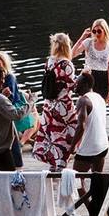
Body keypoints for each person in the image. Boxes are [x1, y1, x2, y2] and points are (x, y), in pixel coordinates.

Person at [69, 72, 109, 216]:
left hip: (89, 149)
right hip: (103, 145)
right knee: (96, 180)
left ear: (85, 84)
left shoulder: (83, 100)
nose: (75, 84)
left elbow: (81, 126)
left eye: (77, 82)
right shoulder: (98, 97)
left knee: (76, 181)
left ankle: (93, 213)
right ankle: (97, 214)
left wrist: (72, 147)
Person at [33, 33, 77, 172]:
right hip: (63, 105)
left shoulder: (49, 62)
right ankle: (62, 163)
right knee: (68, 133)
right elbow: (71, 86)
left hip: (48, 104)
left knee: (52, 133)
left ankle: (53, 162)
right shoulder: (67, 64)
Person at [72, 18, 109, 105]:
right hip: (88, 76)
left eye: (99, 31)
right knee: (86, 104)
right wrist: (81, 38)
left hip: (103, 78)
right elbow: (72, 55)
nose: (96, 33)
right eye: (94, 31)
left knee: (100, 106)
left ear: (105, 31)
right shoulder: (88, 42)